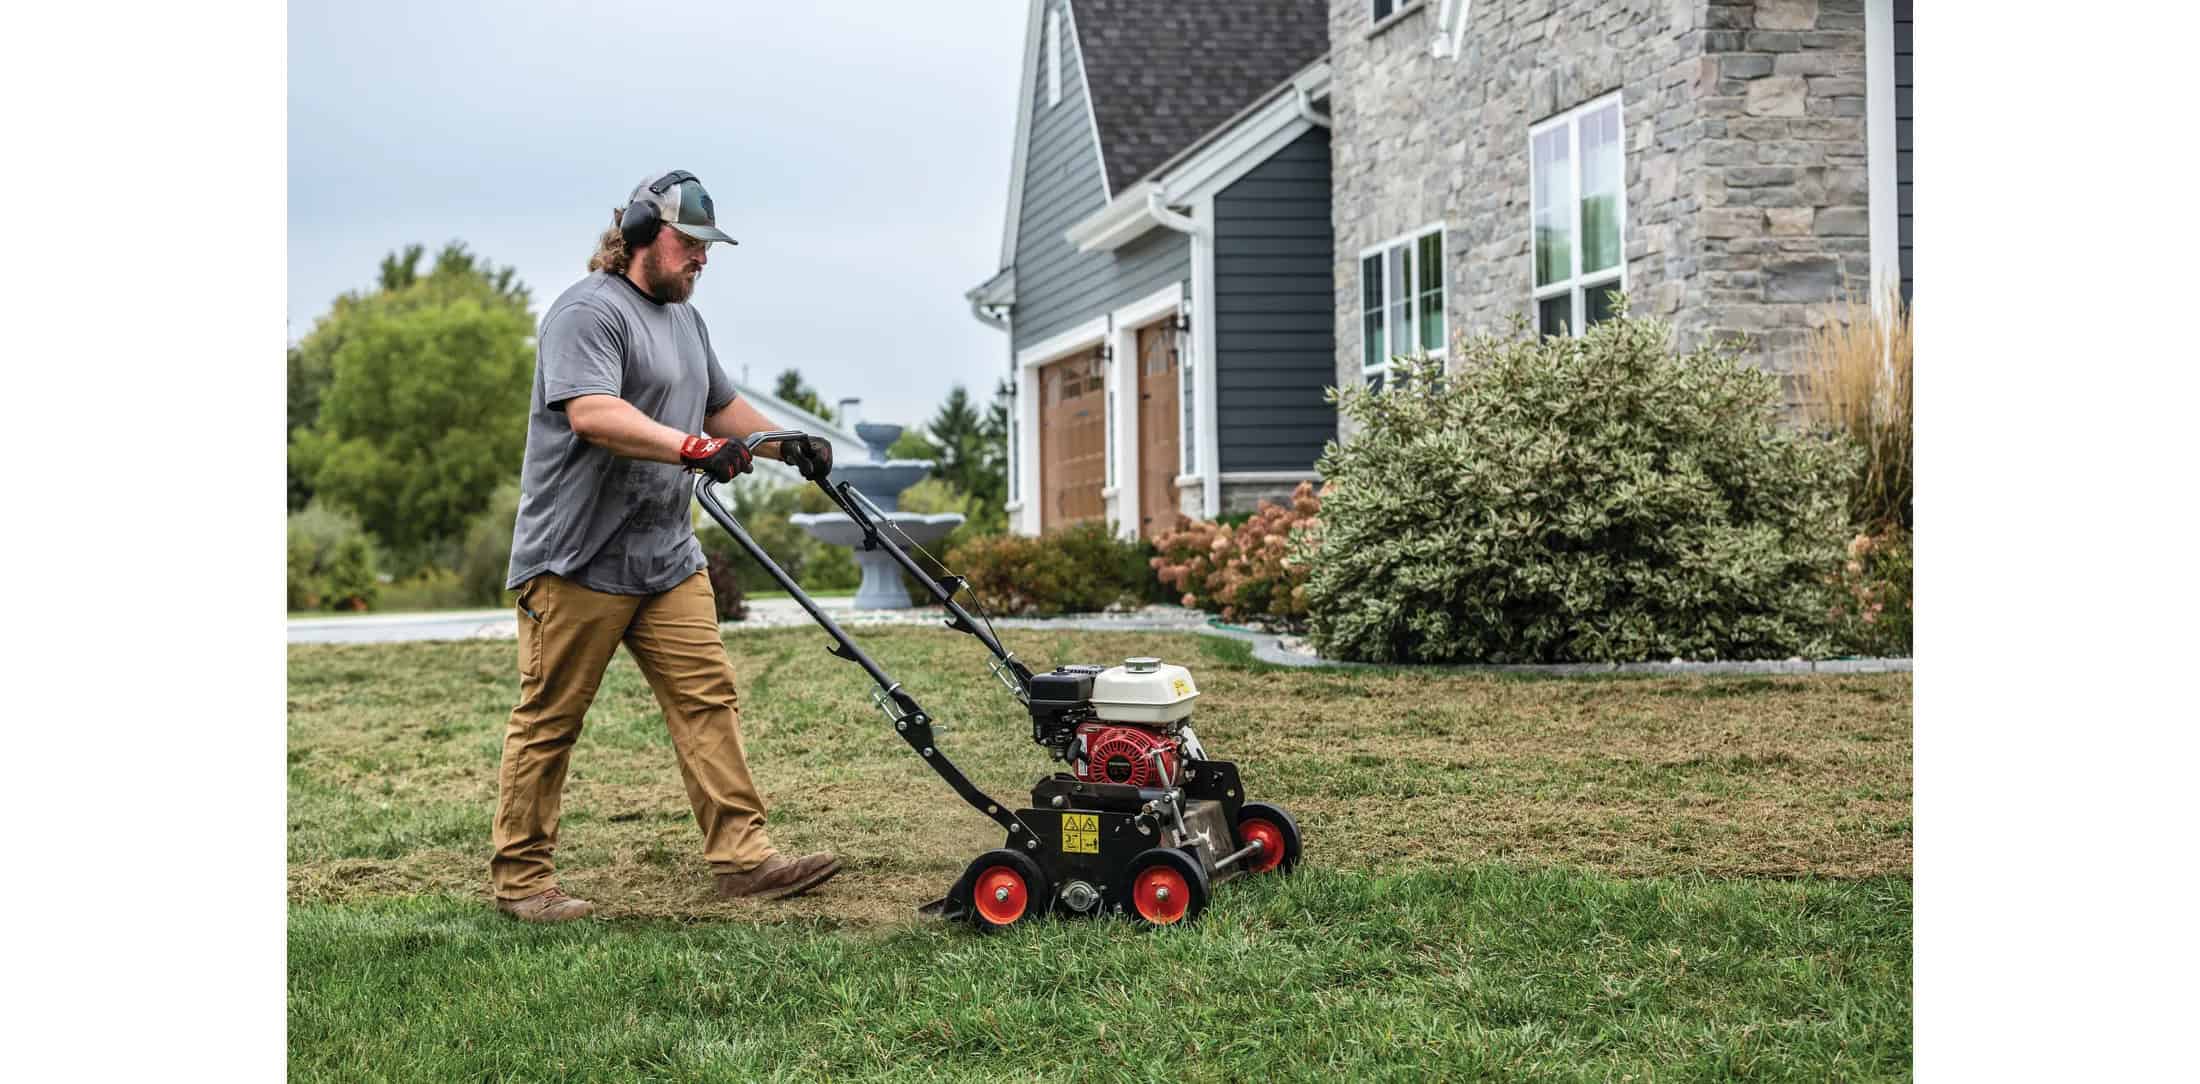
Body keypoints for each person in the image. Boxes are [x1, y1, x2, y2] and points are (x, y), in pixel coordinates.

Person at [490, 170, 839, 923]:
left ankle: (744, 860)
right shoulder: (586, 314)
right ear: (644, 234)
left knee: (707, 699)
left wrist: (786, 445)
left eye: (709, 247)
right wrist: (691, 447)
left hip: (666, 556)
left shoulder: (686, 320)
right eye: (691, 243)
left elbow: (721, 406)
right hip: (579, 557)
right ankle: (522, 880)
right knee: (551, 717)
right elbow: (593, 415)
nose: (702, 259)